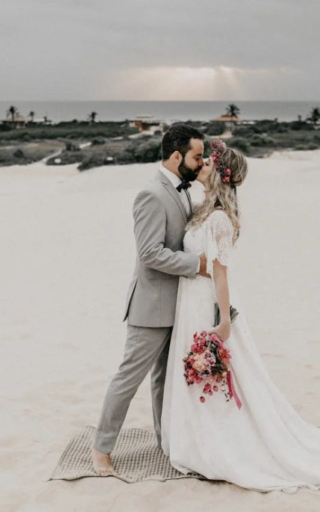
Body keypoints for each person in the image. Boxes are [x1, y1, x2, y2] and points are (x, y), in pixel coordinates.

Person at [160, 139, 320, 492]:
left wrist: (223, 321)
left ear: (221, 175)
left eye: (207, 163)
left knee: (220, 376)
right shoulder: (201, 209)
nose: (201, 166)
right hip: (189, 301)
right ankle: (195, 436)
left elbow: (221, 274)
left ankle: (220, 442)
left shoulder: (220, 218)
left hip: (208, 304)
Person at [92, 124, 210, 475]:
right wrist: (197, 265)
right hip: (151, 304)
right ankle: (101, 449)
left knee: (164, 380)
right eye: (197, 156)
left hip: (180, 304)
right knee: (129, 378)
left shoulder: (185, 189)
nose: (201, 162)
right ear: (177, 157)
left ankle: (165, 440)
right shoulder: (151, 194)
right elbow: (149, 253)